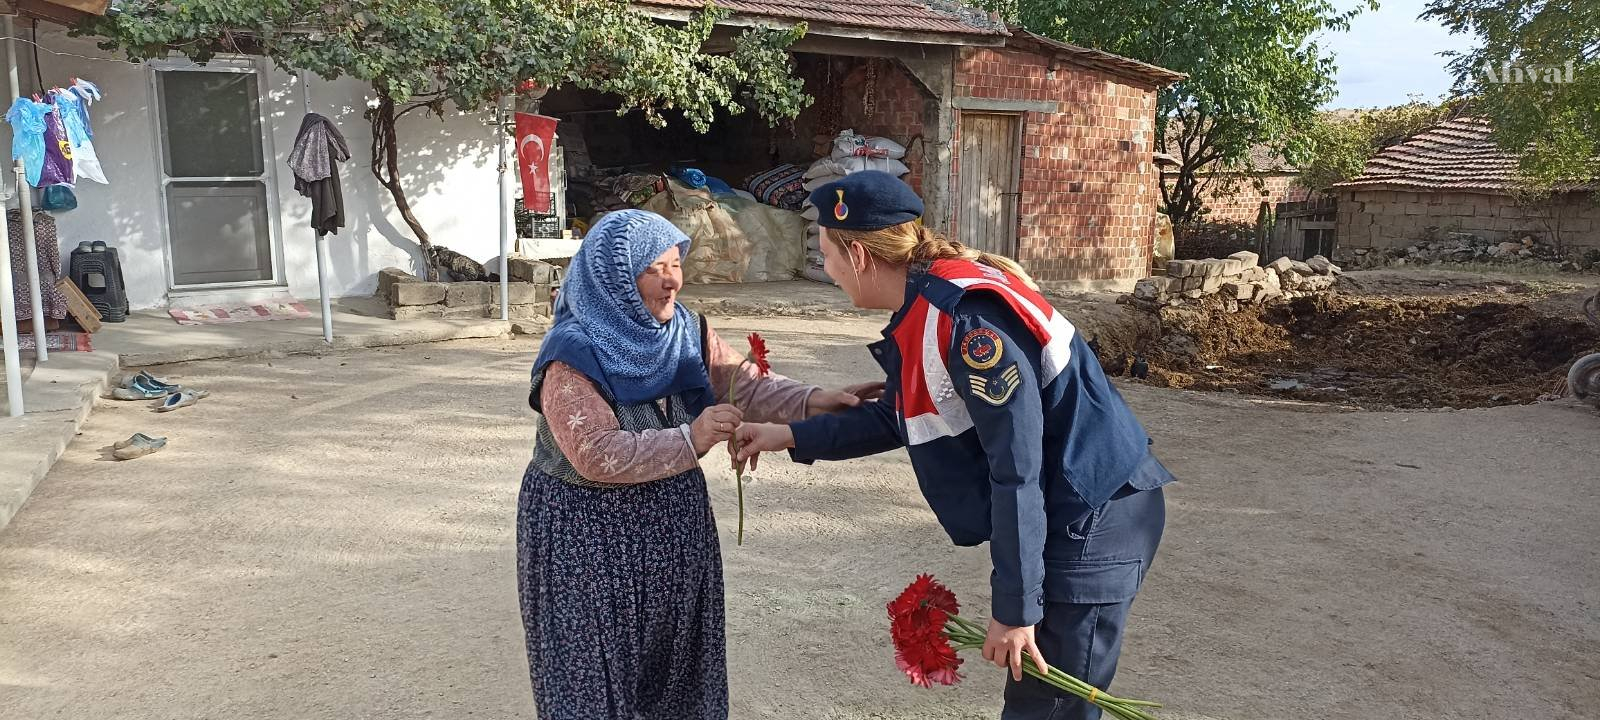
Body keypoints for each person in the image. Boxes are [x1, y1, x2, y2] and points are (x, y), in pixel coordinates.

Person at [735, 172, 1175, 720]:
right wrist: (790, 435)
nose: (826, 270)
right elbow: (904, 416)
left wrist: (1016, 610)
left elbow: (1017, 468)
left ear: (860, 257)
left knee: (1048, 711)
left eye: (827, 255)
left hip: (1094, 517)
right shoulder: (924, 304)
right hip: (1071, 510)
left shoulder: (965, 322)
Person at [518, 209, 865, 719]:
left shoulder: (685, 330)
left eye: (676, 264)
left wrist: (816, 400)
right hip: (588, 539)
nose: (671, 281)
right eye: (653, 268)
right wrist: (692, 437)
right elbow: (594, 452)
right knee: (595, 680)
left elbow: (744, 386)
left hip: (673, 530)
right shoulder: (572, 353)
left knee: (675, 674)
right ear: (613, 277)